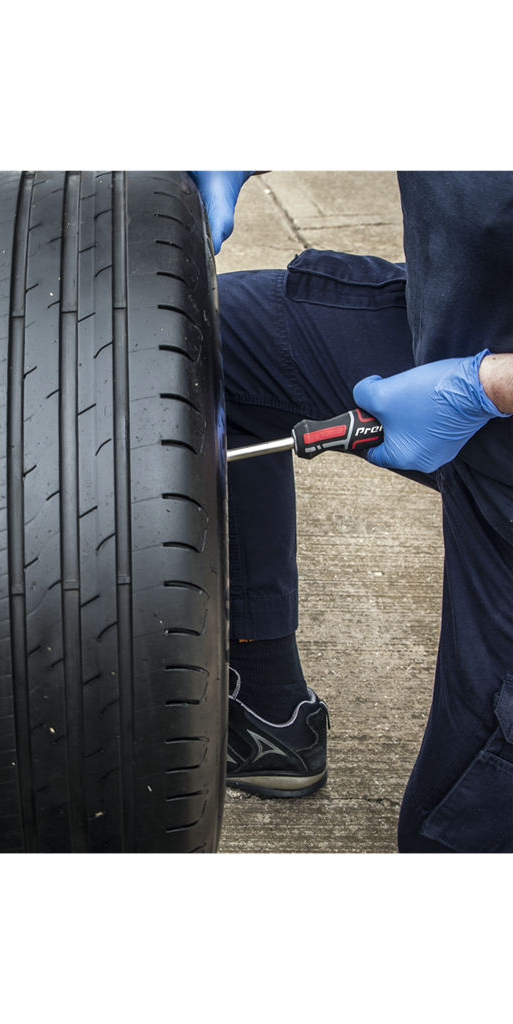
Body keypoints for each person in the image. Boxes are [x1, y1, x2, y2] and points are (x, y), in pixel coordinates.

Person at [188, 170, 513, 854]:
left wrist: (484, 388)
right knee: (204, 344)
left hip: (489, 398)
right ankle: (268, 710)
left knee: (447, 835)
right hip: (460, 330)